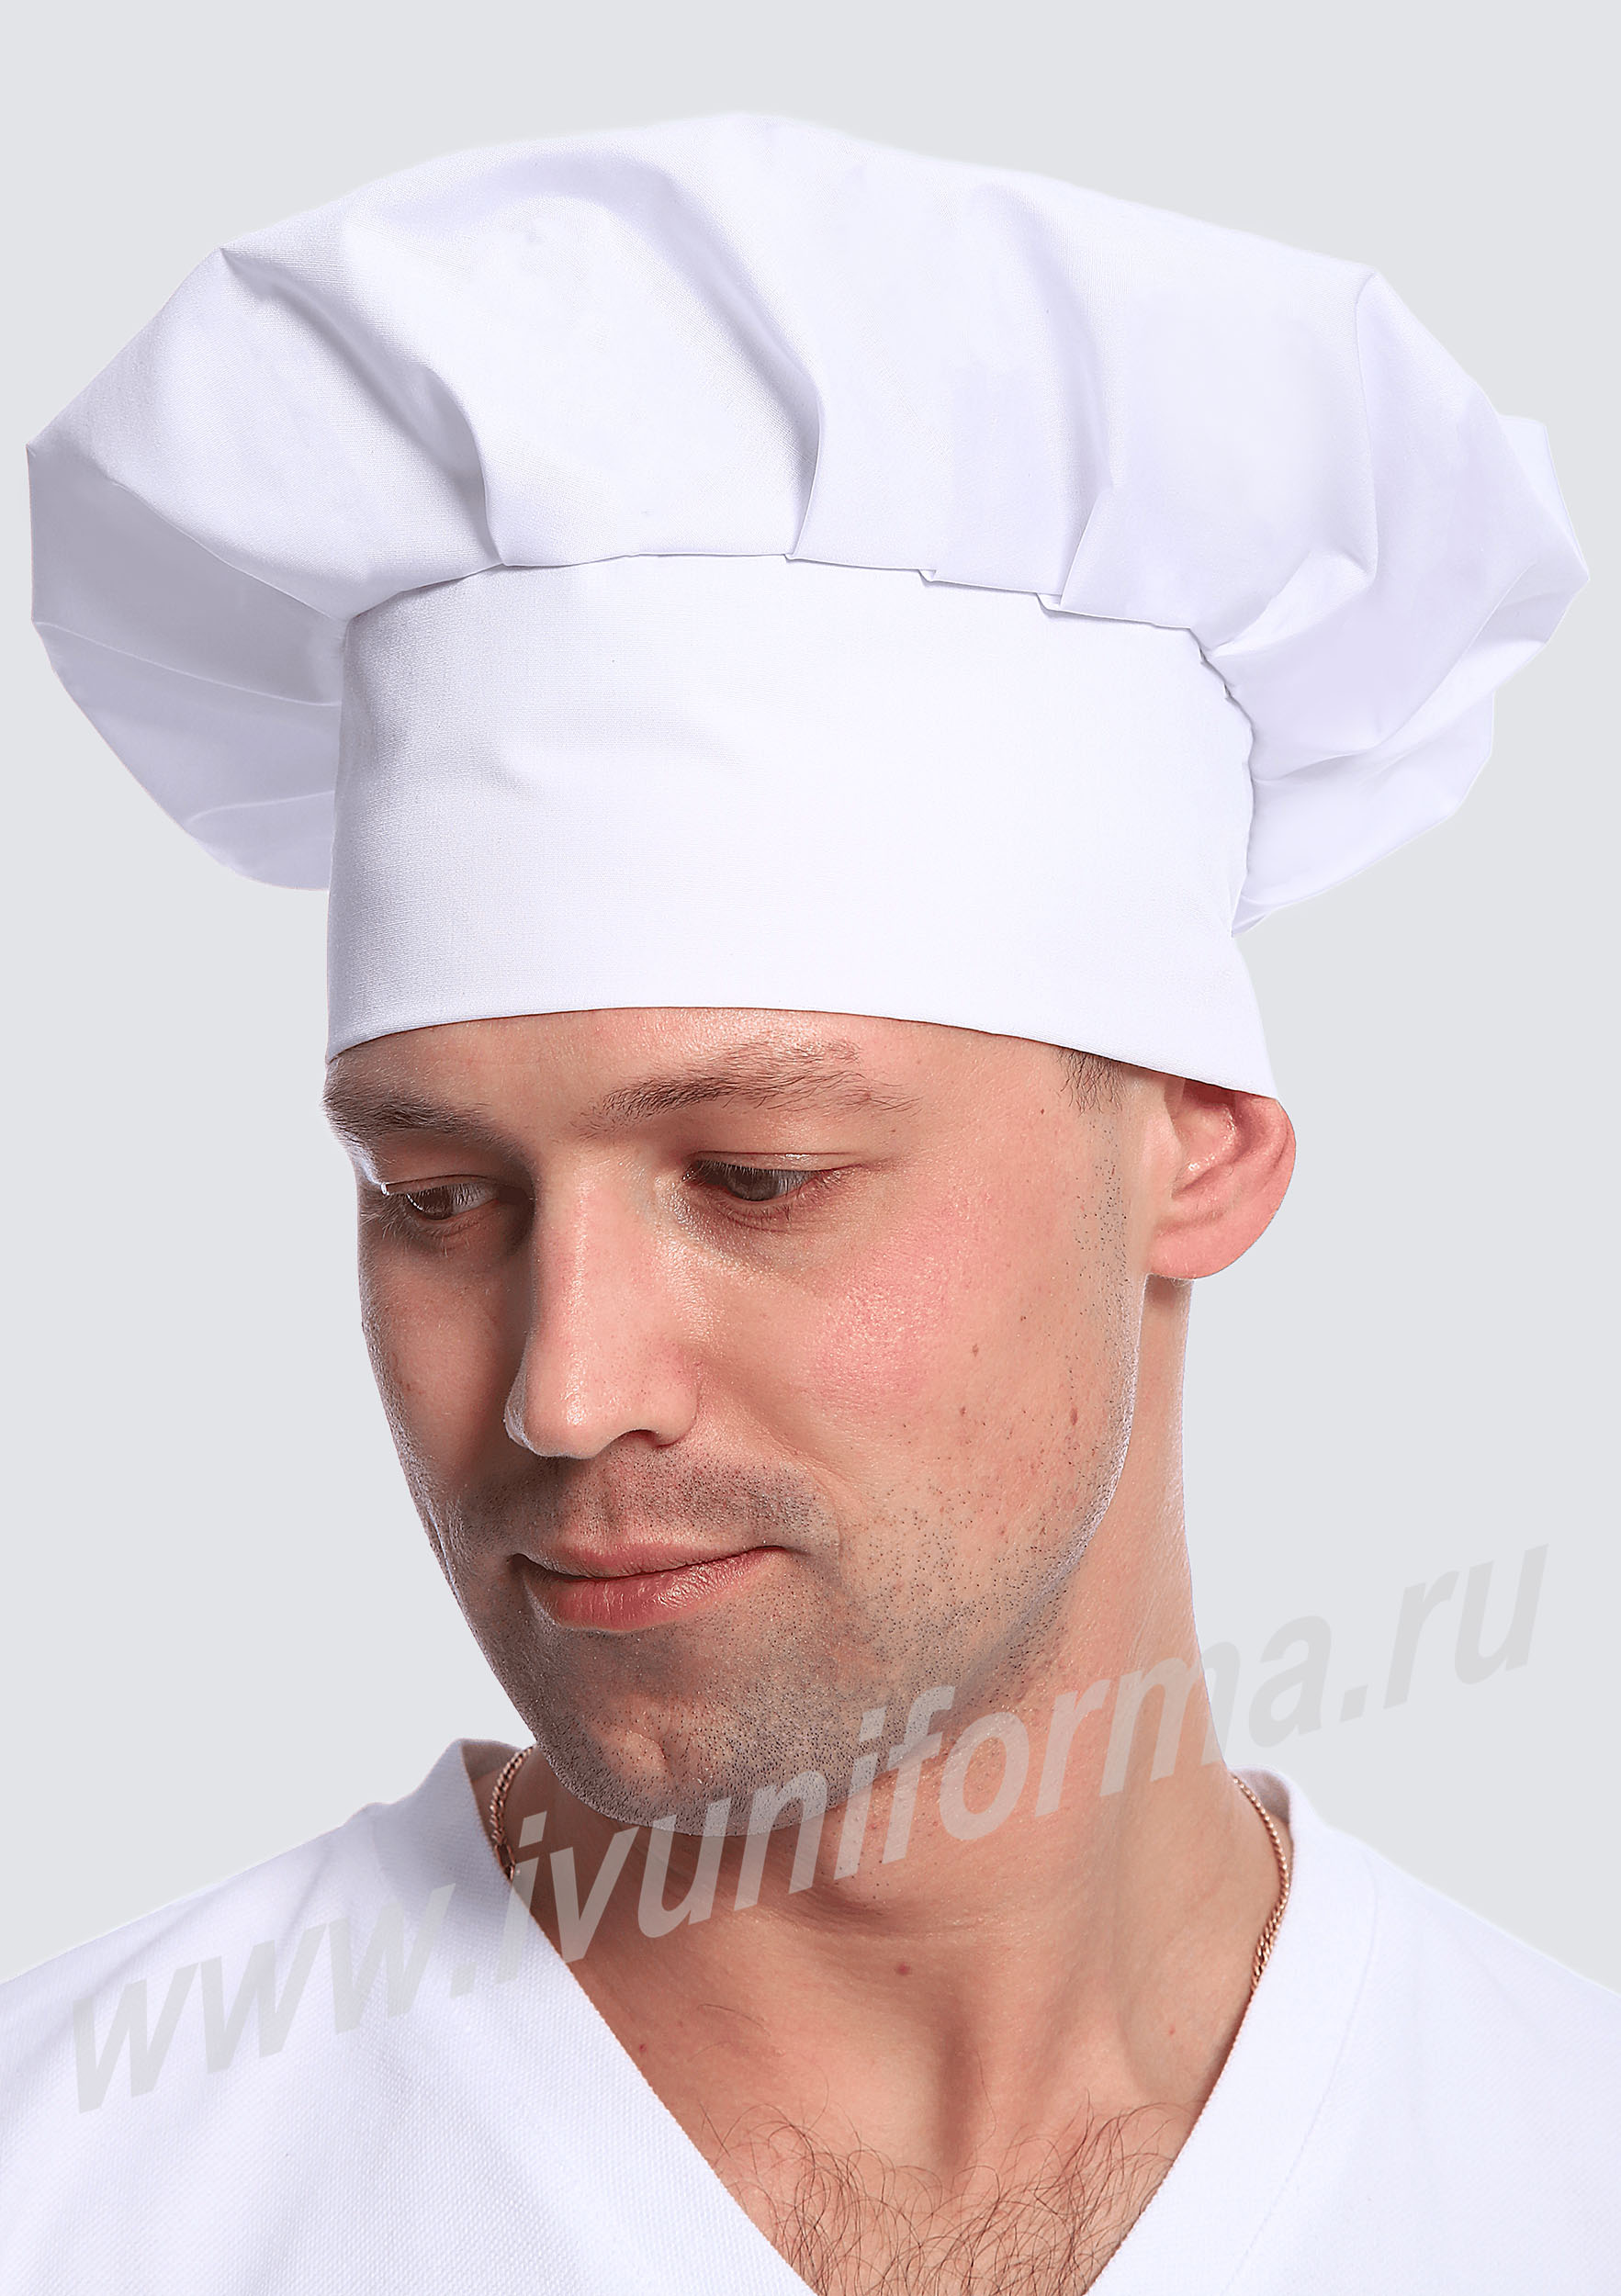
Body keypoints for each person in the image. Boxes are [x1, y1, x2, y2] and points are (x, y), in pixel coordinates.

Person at [7, 115, 1616, 2296]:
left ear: (1195, 1148)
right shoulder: (76, 2183)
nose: (564, 1390)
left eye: (754, 1176)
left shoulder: (1561, 2174)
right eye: (437, 1193)